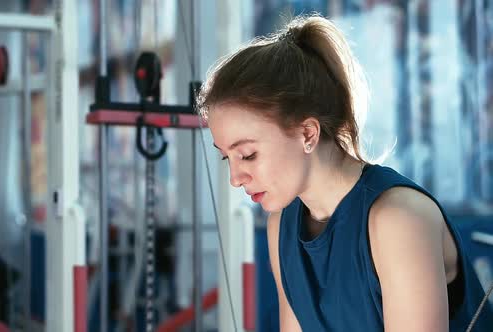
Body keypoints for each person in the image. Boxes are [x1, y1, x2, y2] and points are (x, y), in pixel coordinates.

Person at [198, 15, 492, 331]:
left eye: (247, 154)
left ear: (308, 134)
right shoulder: (281, 225)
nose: (235, 177)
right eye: (227, 158)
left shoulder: (398, 218)